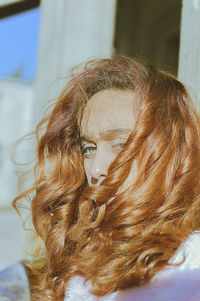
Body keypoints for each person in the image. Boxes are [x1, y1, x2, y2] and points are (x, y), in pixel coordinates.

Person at [1, 56, 200, 300]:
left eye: (120, 144)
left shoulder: (192, 264)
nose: (96, 169)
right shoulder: (69, 263)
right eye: (89, 149)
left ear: (172, 152)